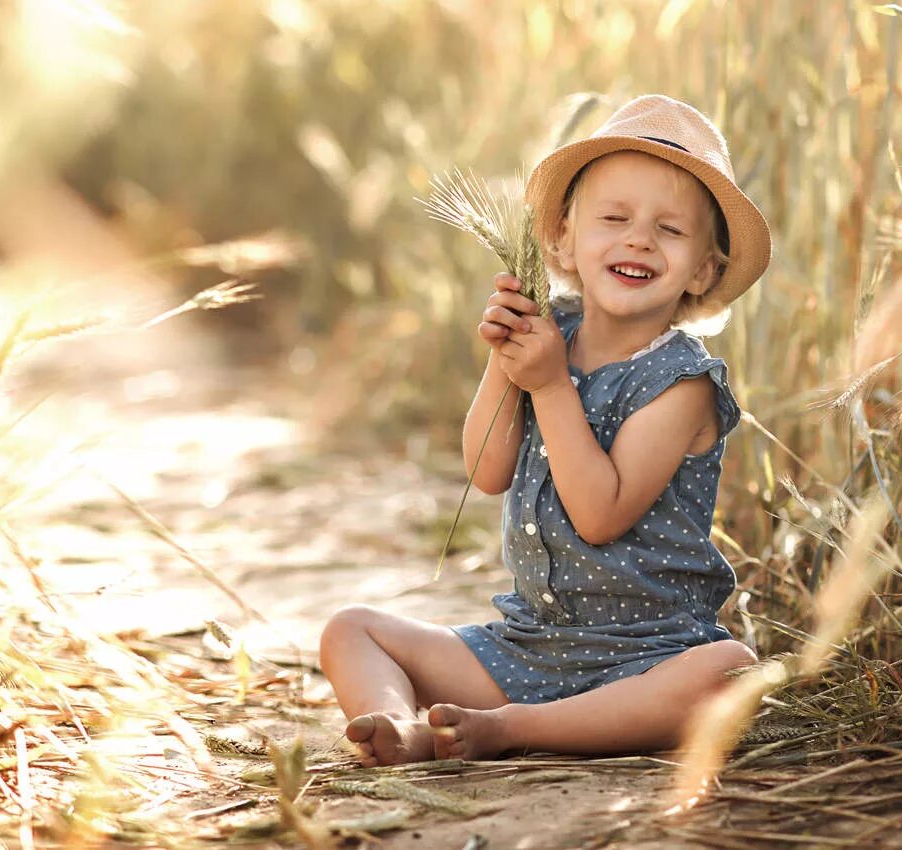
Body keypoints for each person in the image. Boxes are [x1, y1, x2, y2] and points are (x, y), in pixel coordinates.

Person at [319, 95, 772, 767]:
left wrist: (552, 385)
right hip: (527, 648)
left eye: (670, 230)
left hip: (648, 660)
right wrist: (506, 362)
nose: (638, 239)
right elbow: (486, 470)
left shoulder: (683, 383)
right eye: (613, 218)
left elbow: (599, 515)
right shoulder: (547, 332)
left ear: (704, 270)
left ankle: (512, 729)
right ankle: (401, 724)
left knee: (731, 671)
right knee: (349, 628)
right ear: (563, 238)